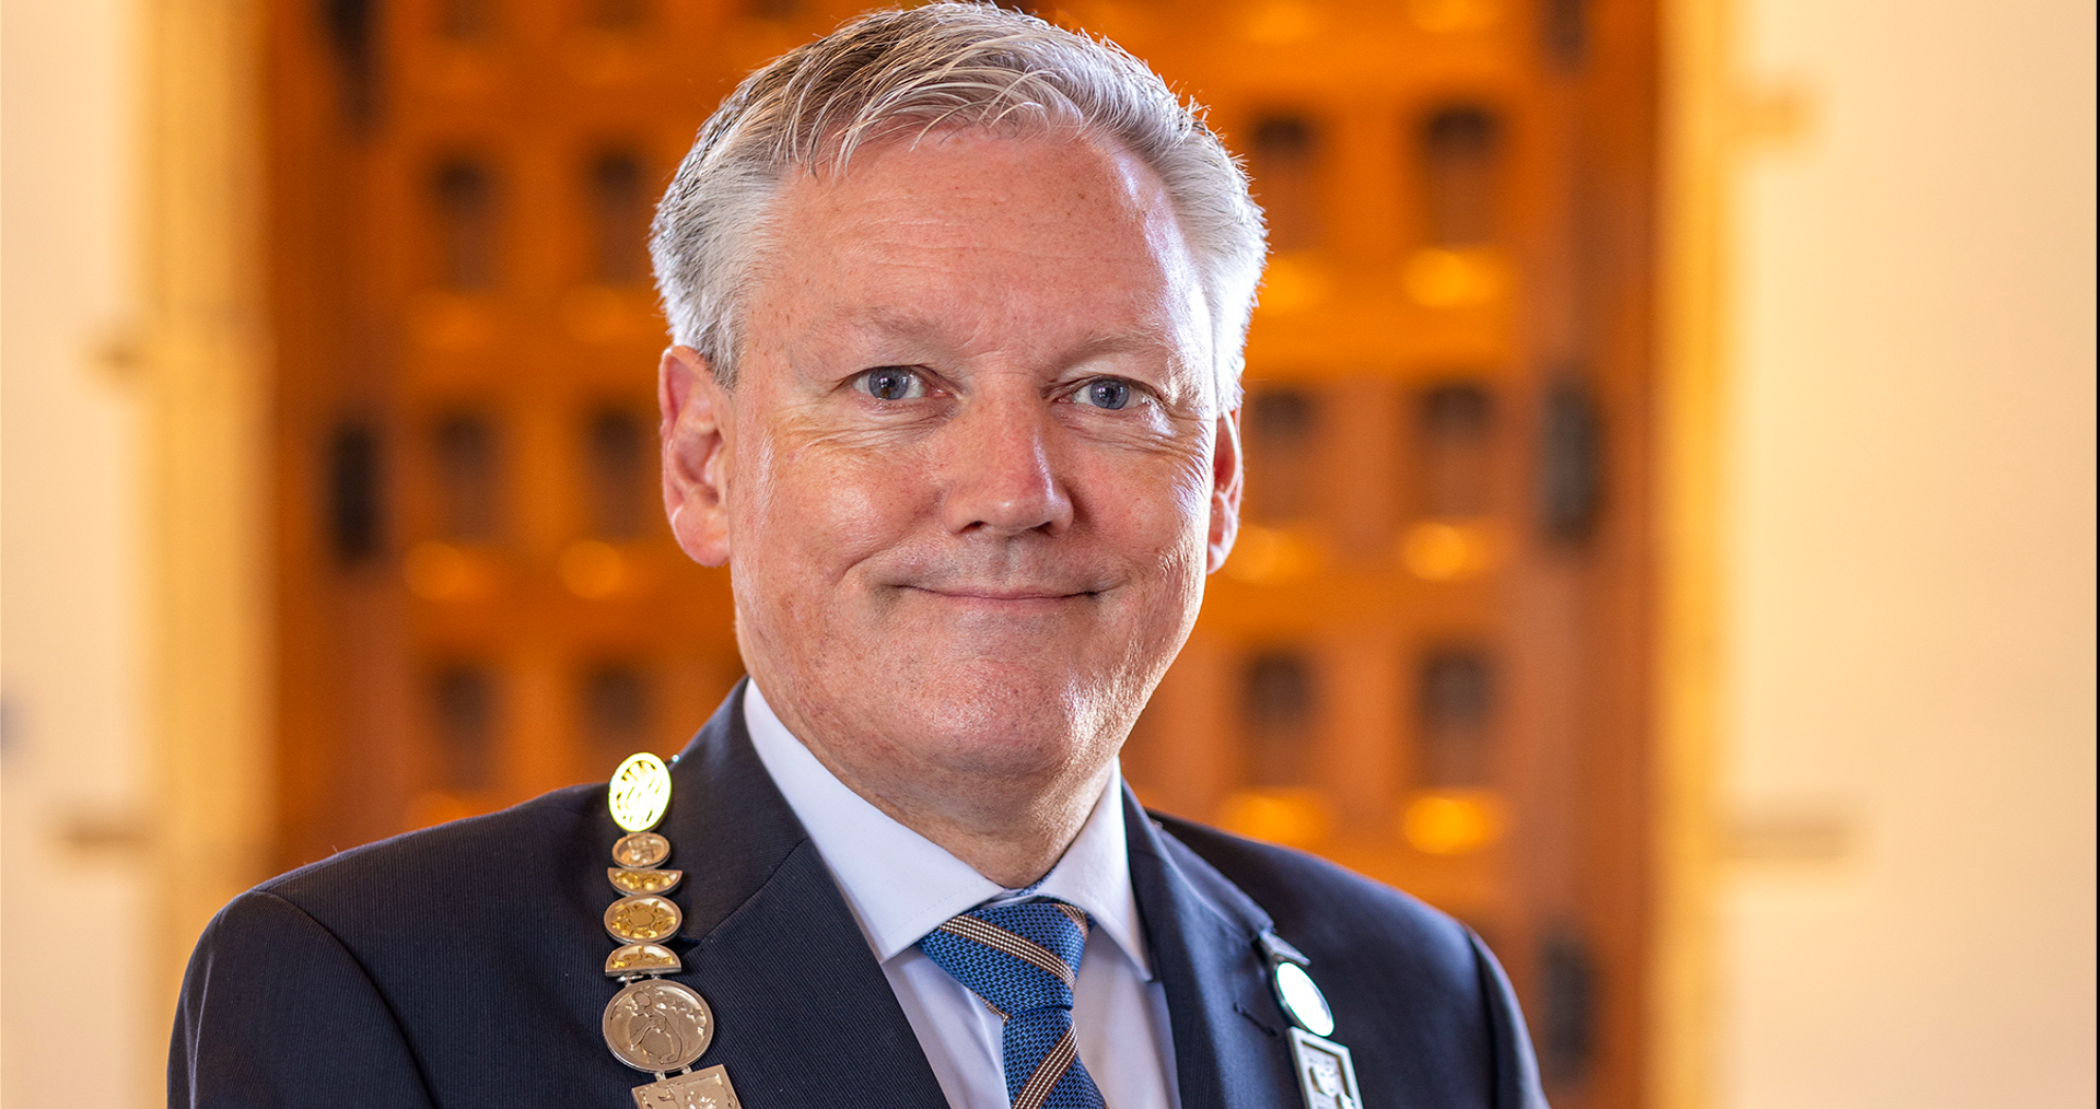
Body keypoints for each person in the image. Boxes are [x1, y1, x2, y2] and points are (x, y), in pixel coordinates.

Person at [170, 6, 1548, 1108]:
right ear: (704, 460)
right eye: (896, 385)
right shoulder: (382, 992)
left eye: (1109, 392)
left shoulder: (1422, 1007)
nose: (1012, 493)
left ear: (1222, 480)